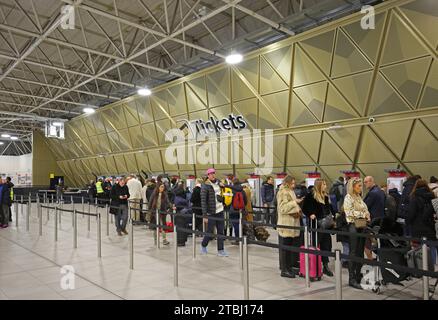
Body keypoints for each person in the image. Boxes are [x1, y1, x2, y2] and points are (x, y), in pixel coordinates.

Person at [302, 178, 335, 276]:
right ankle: (315, 265)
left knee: (326, 245)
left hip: (326, 225)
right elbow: (304, 208)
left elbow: (329, 209)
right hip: (316, 224)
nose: (326, 186)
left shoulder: (325, 196)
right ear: (319, 185)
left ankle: (325, 265)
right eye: (324, 184)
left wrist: (333, 214)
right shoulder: (311, 196)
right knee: (316, 245)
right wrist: (310, 214)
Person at [343, 178, 371, 290]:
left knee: (360, 253)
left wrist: (367, 214)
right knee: (353, 252)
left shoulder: (359, 198)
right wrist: (363, 214)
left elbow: (366, 209)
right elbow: (349, 212)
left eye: (361, 185)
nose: (361, 187)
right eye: (359, 186)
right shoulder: (348, 198)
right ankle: (351, 279)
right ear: (353, 187)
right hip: (353, 227)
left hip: (362, 227)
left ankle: (358, 275)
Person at [276, 175, 303, 278]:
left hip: (292, 224)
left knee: (290, 248)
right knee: (285, 248)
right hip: (286, 224)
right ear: (287, 183)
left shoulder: (291, 191)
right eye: (292, 183)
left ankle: (289, 268)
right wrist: (294, 202)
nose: (294, 185)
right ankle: (284, 270)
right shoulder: (282, 192)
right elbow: (282, 208)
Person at [200, 168, 228, 257]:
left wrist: (223, 199)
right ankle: (203, 245)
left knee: (221, 231)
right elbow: (203, 201)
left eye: (213, 173)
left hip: (220, 210)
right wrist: (205, 215)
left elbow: (224, 193)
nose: (213, 175)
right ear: (208, 175)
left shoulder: (219, 183)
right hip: (211, 212)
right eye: (211, 174)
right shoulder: (205, 186)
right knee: (210, 232)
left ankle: (221, 250)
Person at [407, 179, 437, 264]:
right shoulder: (432, 196)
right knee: (432, 247)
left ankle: (422, 267)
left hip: (417, 227)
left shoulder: (414, 197)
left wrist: (408, 222)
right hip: (430, 226)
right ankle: (434, 266)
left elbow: (411, 213)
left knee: (419, 249)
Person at [363, 176, 385, 259]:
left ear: (371, 181)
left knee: (367, 242)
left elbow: (365, 206)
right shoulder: (380, 191)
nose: (364, 184)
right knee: (377, 241)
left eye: (366, 182)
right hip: (380, 220)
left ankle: (370, 260)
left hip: (372, 221)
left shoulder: (372, 193)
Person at [227, 178, 248, 245]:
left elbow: (229, 201)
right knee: (241, 224)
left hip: (233, 210)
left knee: (235, 225)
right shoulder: (243, 190)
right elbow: (245, 201)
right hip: (241, 210)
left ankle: (237, 239)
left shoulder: (231, 190)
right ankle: (242, 238)